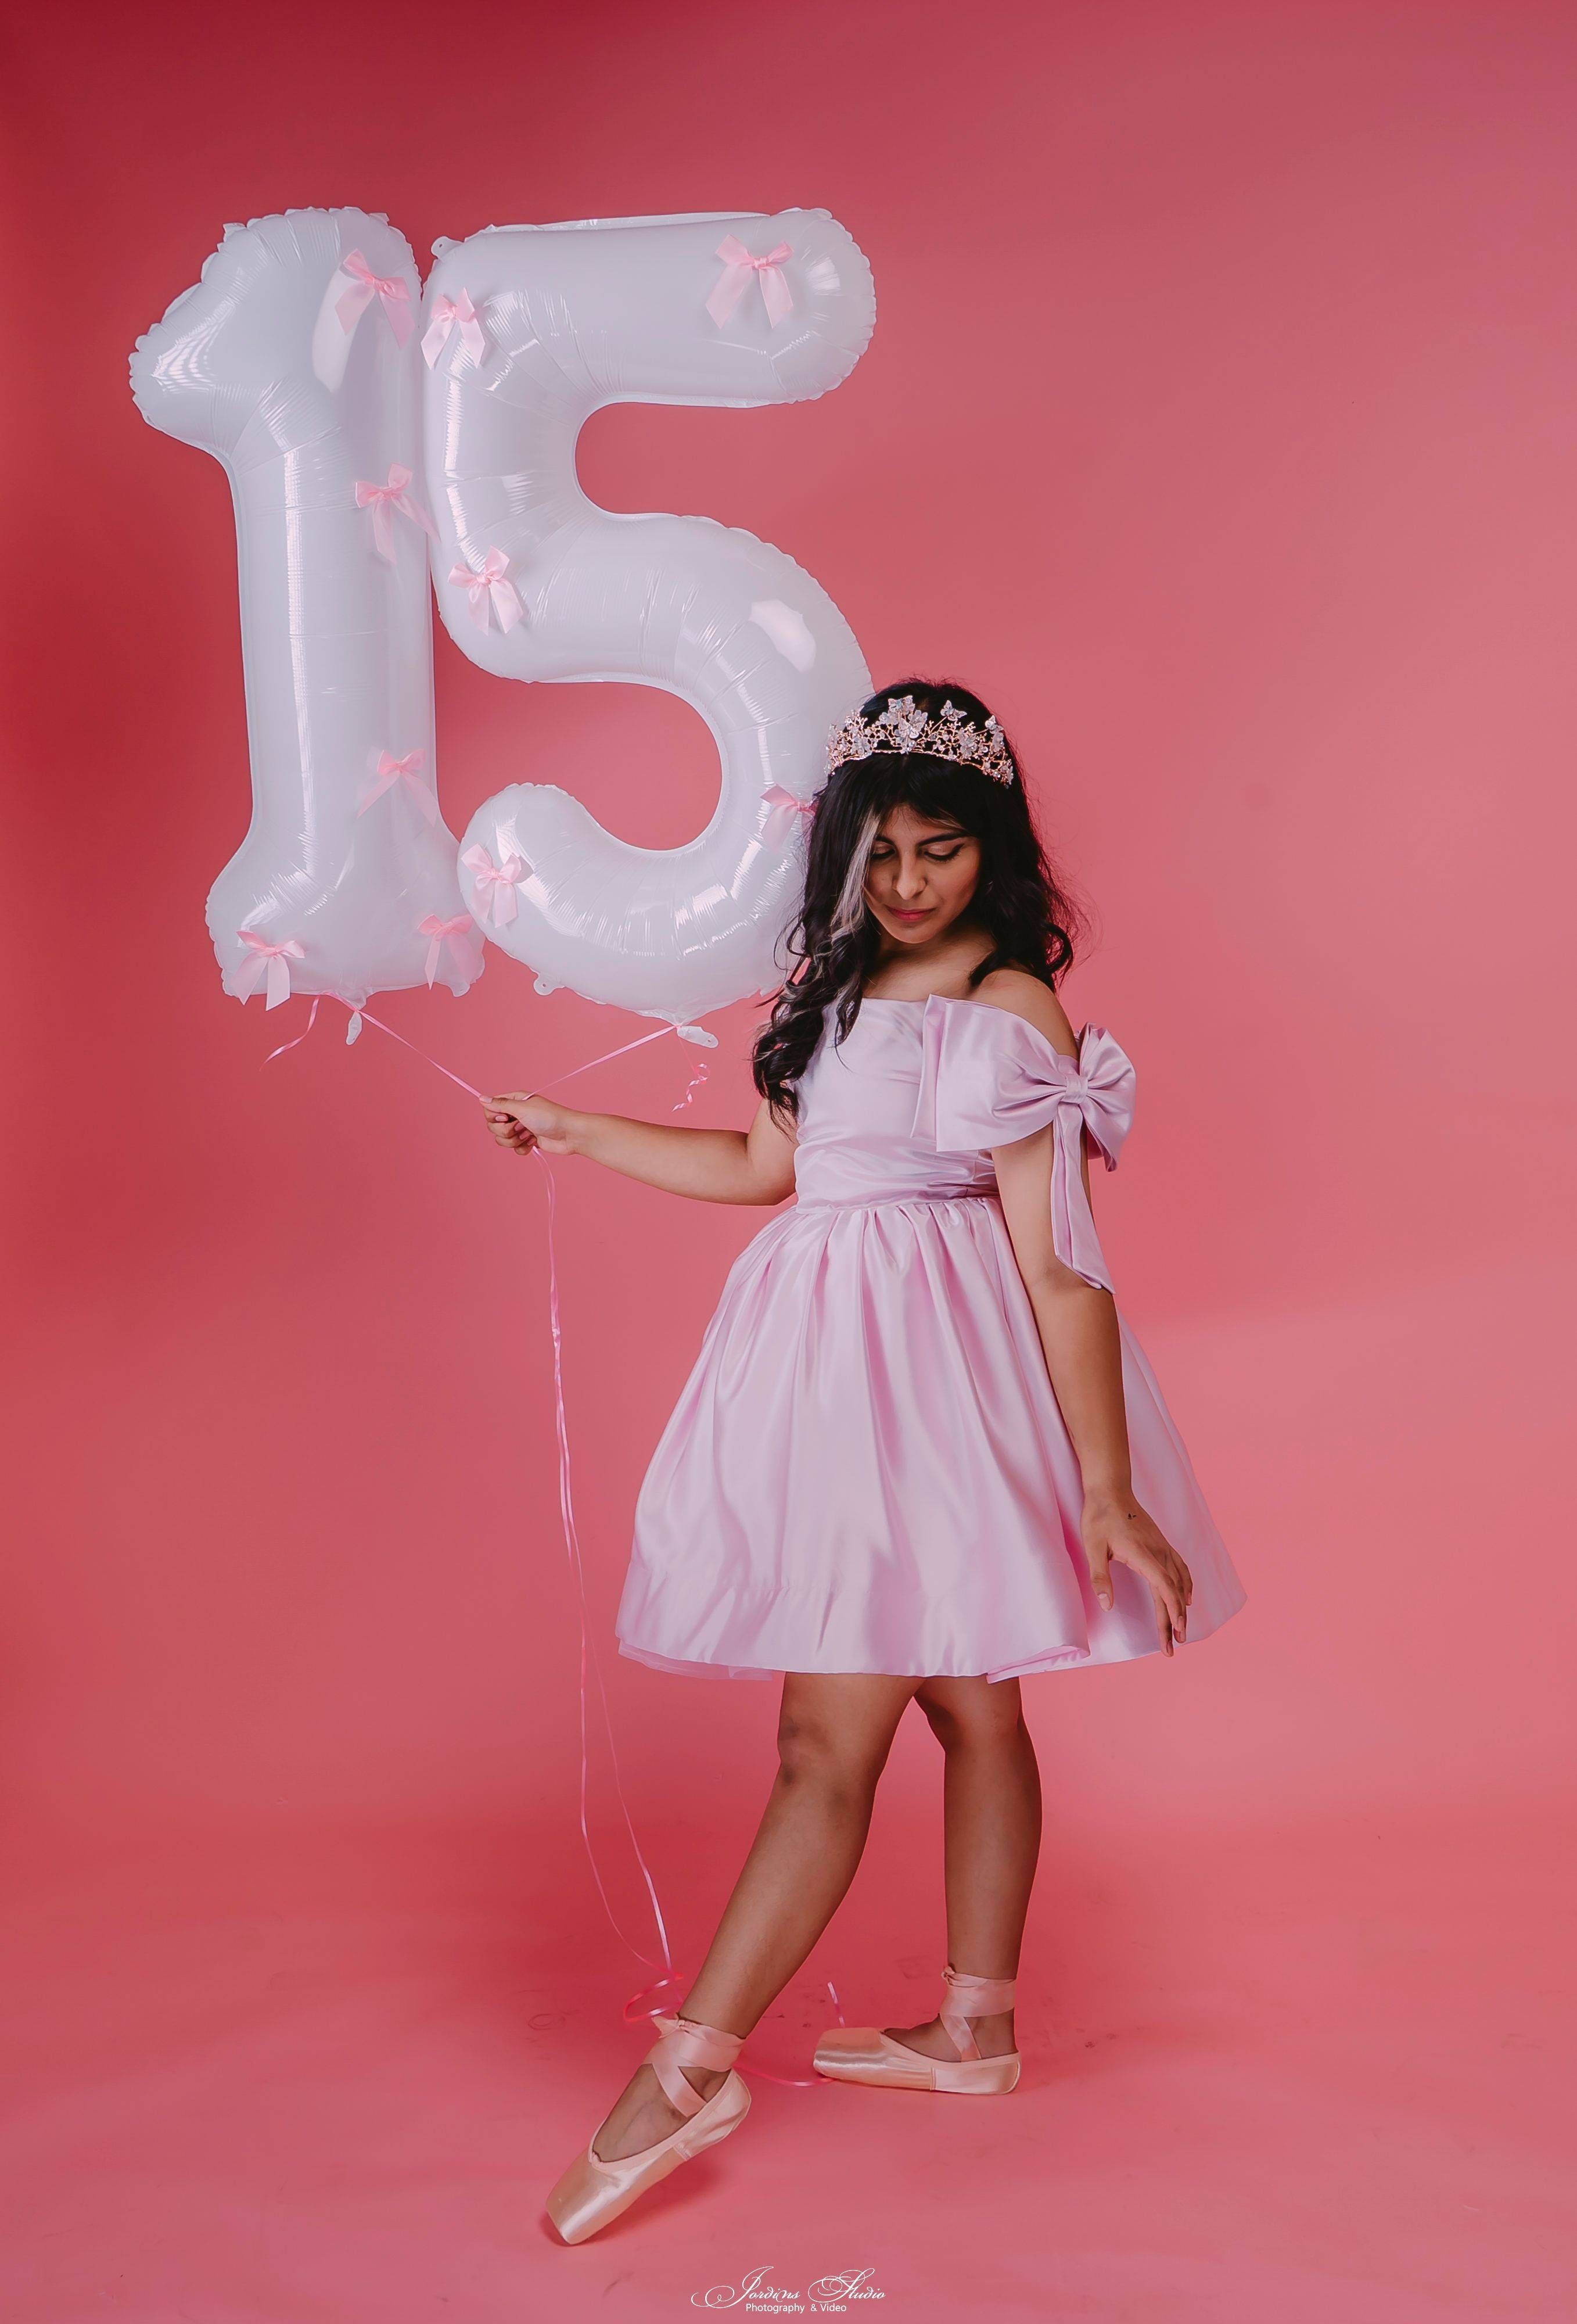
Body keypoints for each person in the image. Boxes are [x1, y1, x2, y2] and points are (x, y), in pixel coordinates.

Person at [480, 680, 1247, 2243]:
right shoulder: (830, 993)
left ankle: (689, 2071)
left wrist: (1105, 1486)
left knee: (832, 1743)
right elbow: (767, 1169)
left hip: (942, 1383)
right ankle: (973, 2029)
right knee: (966, 1698)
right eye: (879, 852)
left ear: (994, 850)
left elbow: (1060, 1271)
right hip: (826, 1382)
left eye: (939, 852)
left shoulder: (1005, 1003)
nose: (905, 883)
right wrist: (577, 1127)